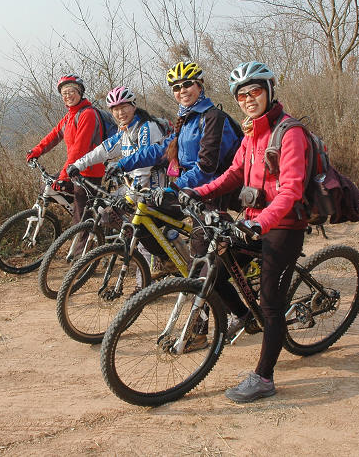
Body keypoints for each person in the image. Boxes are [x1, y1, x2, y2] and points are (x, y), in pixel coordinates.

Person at [181, 61, 309, 403]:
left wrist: (259, 223)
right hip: (252, 220)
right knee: (215, 270)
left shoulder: (289, 132)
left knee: (271, 304)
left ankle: (264, 378)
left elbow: (291, 190)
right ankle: (243, 316)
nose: (248, 99)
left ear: (269, 91)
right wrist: (199, 192)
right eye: (242, 95)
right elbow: (234, 173)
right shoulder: (252, 131)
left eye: (254, 92)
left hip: (283, 225)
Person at [114, 61, 248, 350]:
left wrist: (172, 188)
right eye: (176, 87)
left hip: (216, 195)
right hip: (192, 192)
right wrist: (122, 163)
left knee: (201, 265)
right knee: (148, 216)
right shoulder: (185, 119)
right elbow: (162, 150)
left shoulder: (212, 117)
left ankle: (200, 331)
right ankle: (170, 262)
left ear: (200, 85)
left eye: (187, 84)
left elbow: (207, 166)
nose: (182, 90)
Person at [26, 74, 105, 227]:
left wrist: (63, 176)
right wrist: (36, 151)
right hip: (74, 169)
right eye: (64, 93)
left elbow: (79, 149)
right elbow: (54, 135)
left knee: (80, 219)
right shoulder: (70, 116)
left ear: (80, 92)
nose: (68, 96)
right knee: (46, 188)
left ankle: (87, 237)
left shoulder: (87, 114)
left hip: (89, 172)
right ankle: (89, 214)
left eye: (71, 91)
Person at [66, 86, 166, 190]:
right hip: (134, 185)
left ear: (134, 106)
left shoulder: (147, 127)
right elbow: (104, 150)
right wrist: (78, 165)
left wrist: (131, 195)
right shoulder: (125, 131)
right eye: (116, 109)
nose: (120, 113)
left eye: (124, 107)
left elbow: (143, 168)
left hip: (152, 188)